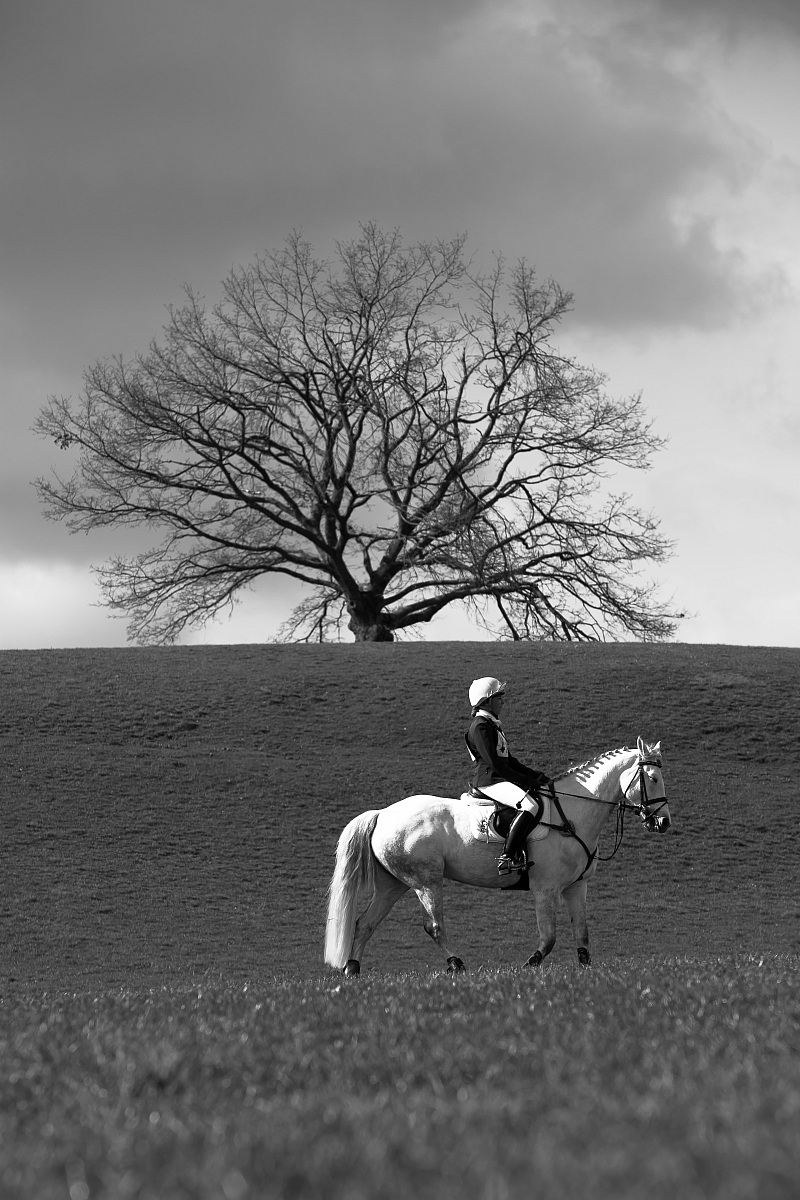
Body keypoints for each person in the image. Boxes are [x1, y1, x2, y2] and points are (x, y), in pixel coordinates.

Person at [465, 677, 550, 875]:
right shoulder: (480, 726)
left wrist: (537, 777)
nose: (503, 701)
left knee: (535, 800)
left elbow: (510, 761)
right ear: (486, 701)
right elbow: (495, 764)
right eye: (499, 697)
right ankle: (508, 856)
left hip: (497, 777)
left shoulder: (492, 725)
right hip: (489, 781)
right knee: (530, 805)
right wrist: (526, 782)